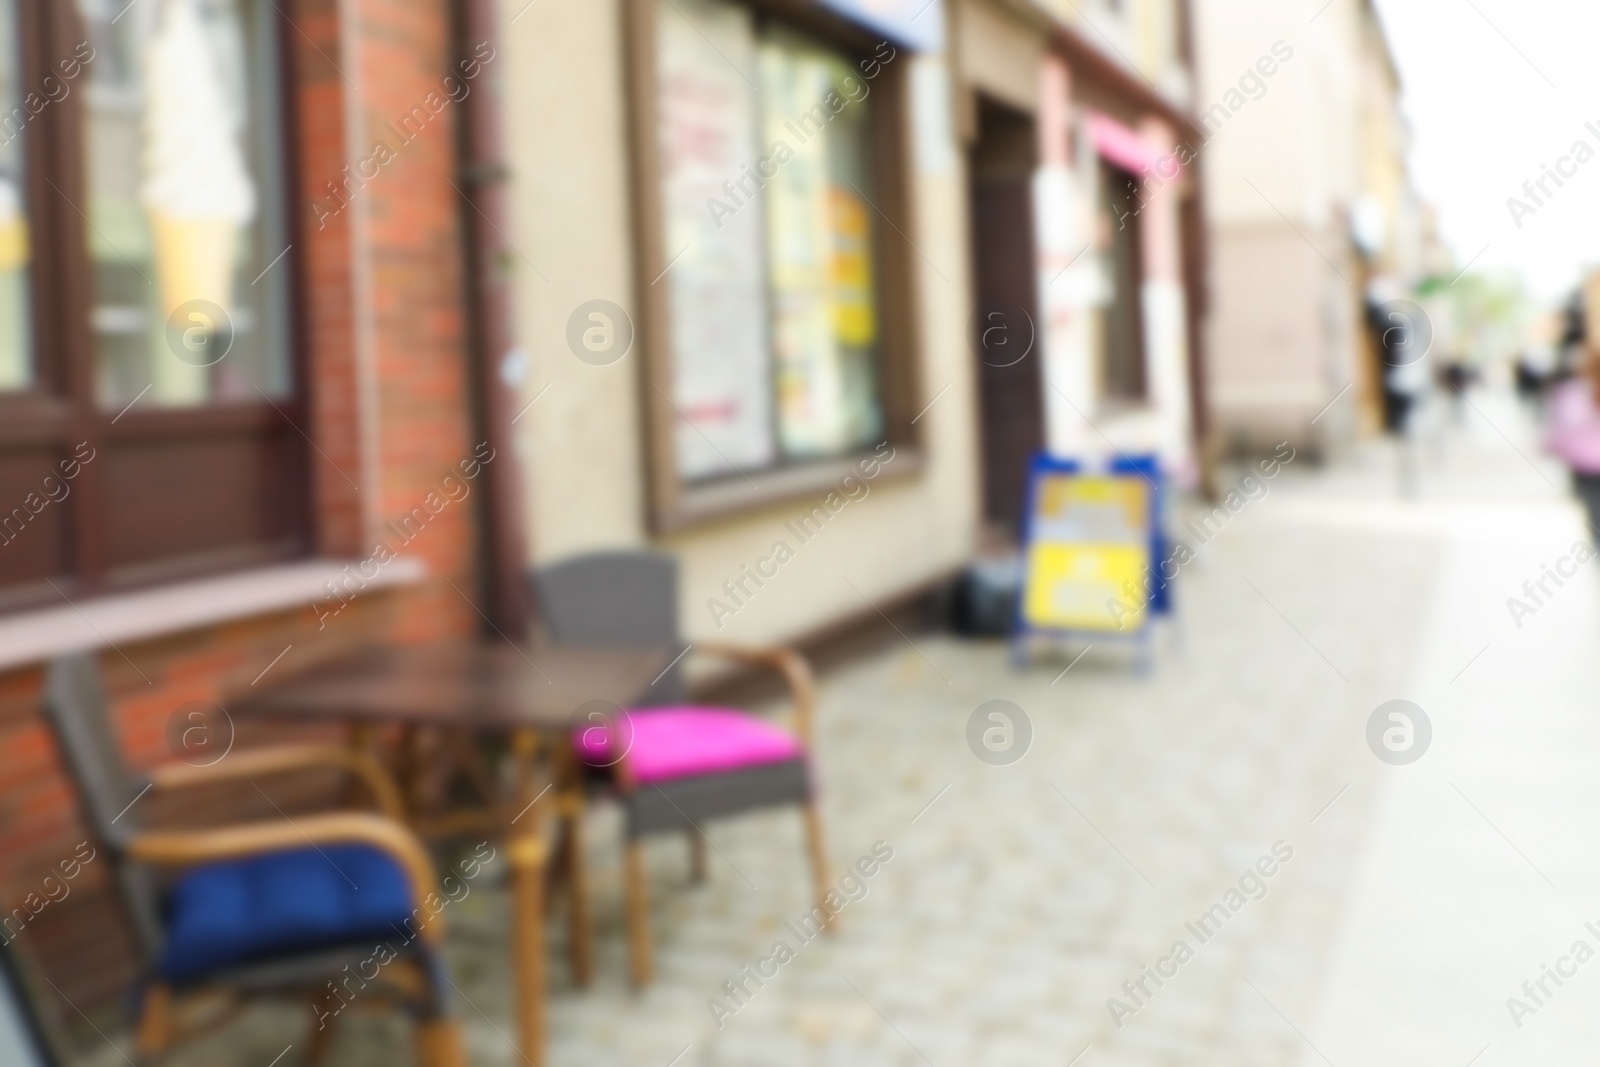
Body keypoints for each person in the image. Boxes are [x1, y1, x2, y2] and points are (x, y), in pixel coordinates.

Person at [1544, 353, 1600, 538]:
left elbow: (1558, 434)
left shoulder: (1571, 394)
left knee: (1595, 516)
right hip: (1585, 469)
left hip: (1584, 469)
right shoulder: (1573, 393)